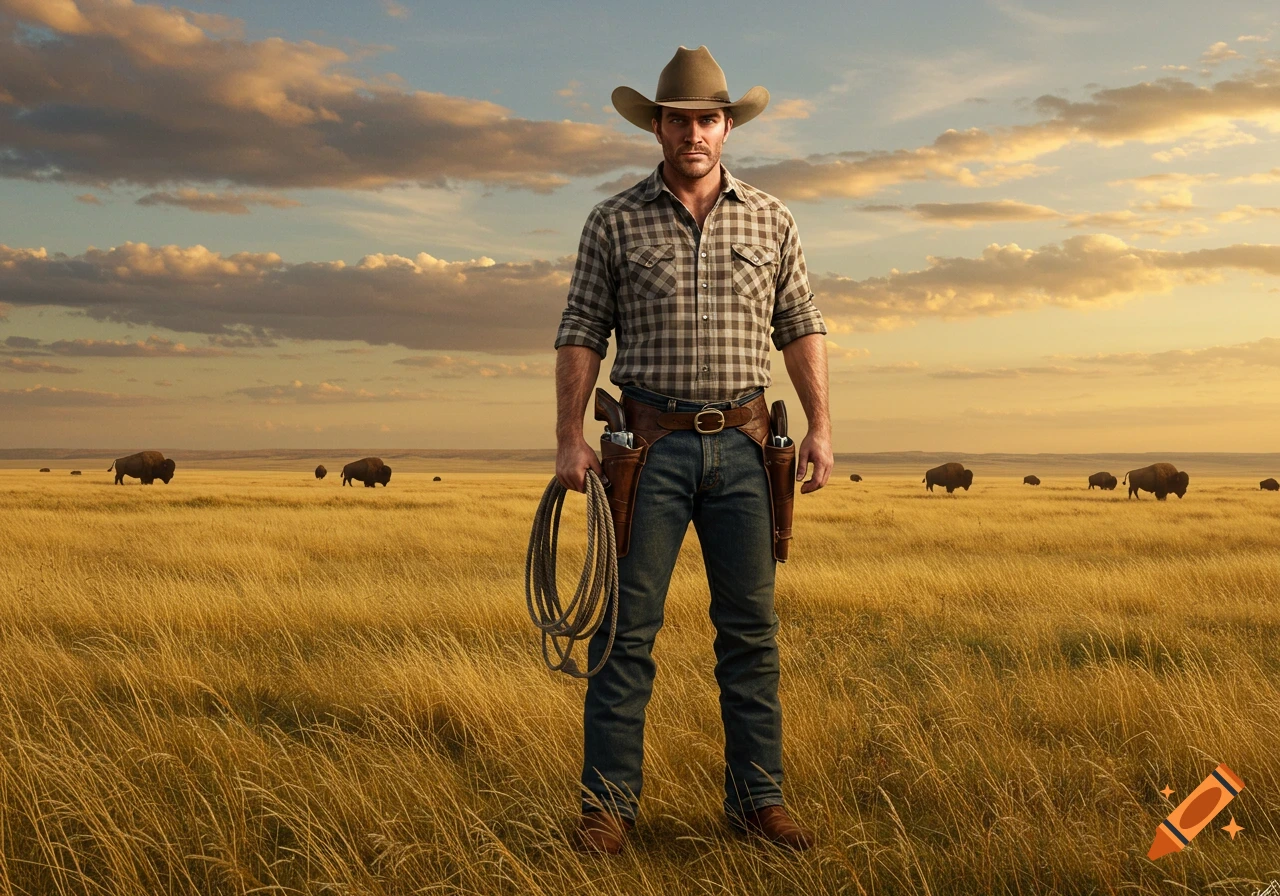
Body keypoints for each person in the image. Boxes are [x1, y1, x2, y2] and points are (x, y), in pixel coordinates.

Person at [553, 45, 831, 854]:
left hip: (748, 448)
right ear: (658, 128)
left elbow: (800, 324)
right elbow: (582, 330)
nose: (694, 133)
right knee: (623, 633)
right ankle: (607, 812)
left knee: (750, 635)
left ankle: (758, 803)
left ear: (727, 127)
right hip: (645, 449)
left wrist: (820, 425)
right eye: (679, 120)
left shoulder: (772, 219)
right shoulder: (613, 220)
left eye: (709, 119)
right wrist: (569, 437)